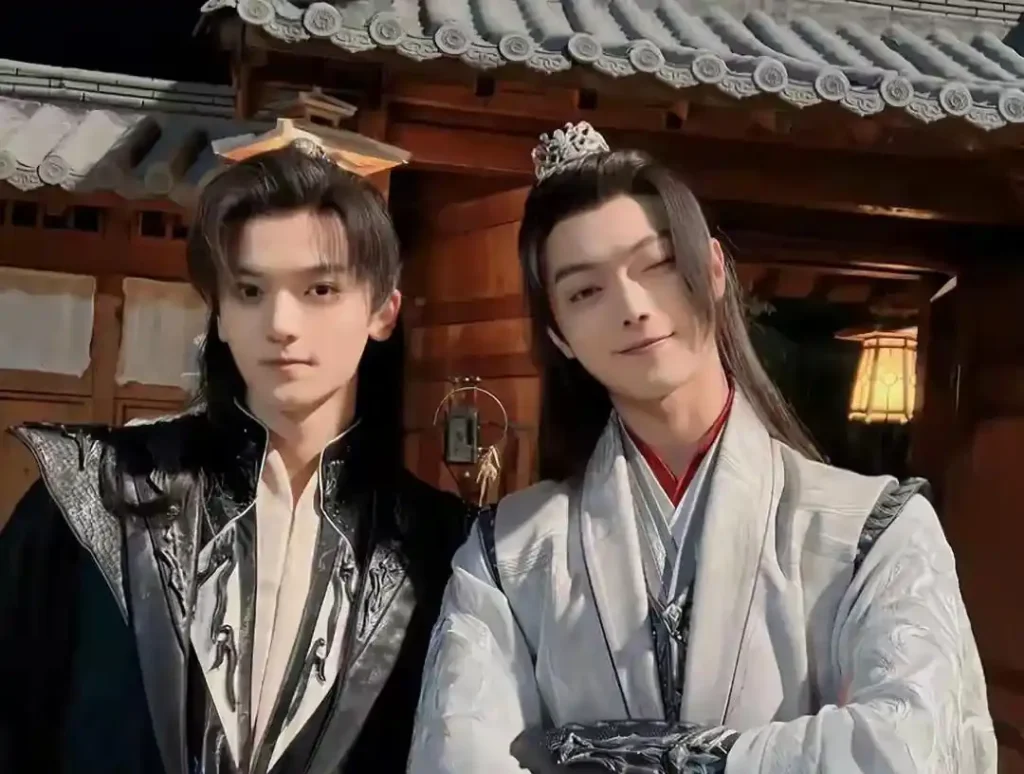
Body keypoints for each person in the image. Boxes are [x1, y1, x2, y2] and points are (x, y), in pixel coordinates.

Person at [407, 123, 995, 774]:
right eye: (584, 291)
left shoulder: (873, 532)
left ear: (713, 269)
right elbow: (455, 758)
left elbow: (913, 749)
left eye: (657, 264)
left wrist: (607, 754)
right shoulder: (506, 554)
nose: (632, 306)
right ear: (560, 335)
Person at [0, 145, 471, 774]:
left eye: (320, 289)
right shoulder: (95, 496)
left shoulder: (436, 549)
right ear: (220, 313)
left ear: (383, 311)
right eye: (250, 290)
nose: (281, 322)